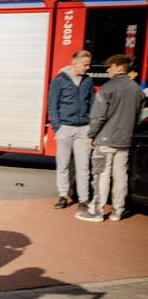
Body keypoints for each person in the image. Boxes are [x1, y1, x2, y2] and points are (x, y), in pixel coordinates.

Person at [76, 54, 147, 222]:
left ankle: (97, 212)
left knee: (101, 174)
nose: (108, 69)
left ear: (120, 67)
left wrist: (92, 135)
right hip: (125, 139)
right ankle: (117, 211)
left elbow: (98, 115)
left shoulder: (109, 87)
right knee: (121, 175)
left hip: (105, 139)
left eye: (111, 66)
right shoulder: (137, 90)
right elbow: (138, 117)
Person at [47, 50, 94, 210]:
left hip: (84, 129)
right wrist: (57, 128)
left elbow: (92, 105)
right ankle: (62, 196)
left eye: (88, 64)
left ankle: (83, 200)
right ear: (75, 63)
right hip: (65, 128)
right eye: (85, 64)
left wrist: (91, 129)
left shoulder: (88, 81)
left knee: (83, 166)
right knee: (63, 165)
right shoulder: (59, 80)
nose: (87, 68)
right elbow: (52, 106)